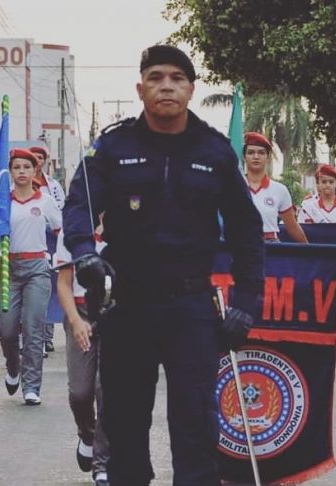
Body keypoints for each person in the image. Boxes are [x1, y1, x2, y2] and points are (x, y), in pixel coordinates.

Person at [62, 45, 264, 486]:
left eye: (177, 78)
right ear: (141, 88)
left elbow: (248, 233)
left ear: (191, 89)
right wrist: (83, 253)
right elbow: (79, 206)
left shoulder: (215, 151)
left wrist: (247, 303)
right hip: (126, 306)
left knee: (196, 432)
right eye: (155, 78)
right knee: (125, 428)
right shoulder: (113, 146)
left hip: (191, 307)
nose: (166, 86)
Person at [0, 148, 62, 406]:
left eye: (27, 167)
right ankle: (13, 367)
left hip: (37, 268)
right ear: (10, 172)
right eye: (17, 167)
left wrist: (63, 260)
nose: (22, 171)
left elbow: (61, 231)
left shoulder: (45, 201)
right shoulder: (2, 202)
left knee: (33, 328)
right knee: (7, 329)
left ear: (35, 170)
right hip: (9, 270)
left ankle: (32, 386)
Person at [55, 227, 110, 486]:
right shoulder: (72, 228)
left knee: (105, 387)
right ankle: (87, 434)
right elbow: (63, 284)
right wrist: (75, 321)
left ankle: (102, 463)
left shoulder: (125, 221)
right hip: (80, 313)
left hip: (114, 313)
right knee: (81, 393)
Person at [29, 145, 64, 354]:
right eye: (34, 157)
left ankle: (47, 336)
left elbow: (60, 210)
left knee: (49, 287)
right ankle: (30, 337)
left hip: (50, 241)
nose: (37, 161)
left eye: (40, 158)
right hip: (29, 242)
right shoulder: (16, 185)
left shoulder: (53, 186)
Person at [243, 131, 307, 242]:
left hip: (270, 246)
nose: (256, 156)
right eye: (251, 152)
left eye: (261, 153)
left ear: (268, 157)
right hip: (239, 245)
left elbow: (292, 227)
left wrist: (309, 249)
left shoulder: (279, 190)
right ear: (244, 157)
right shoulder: (232, 187)